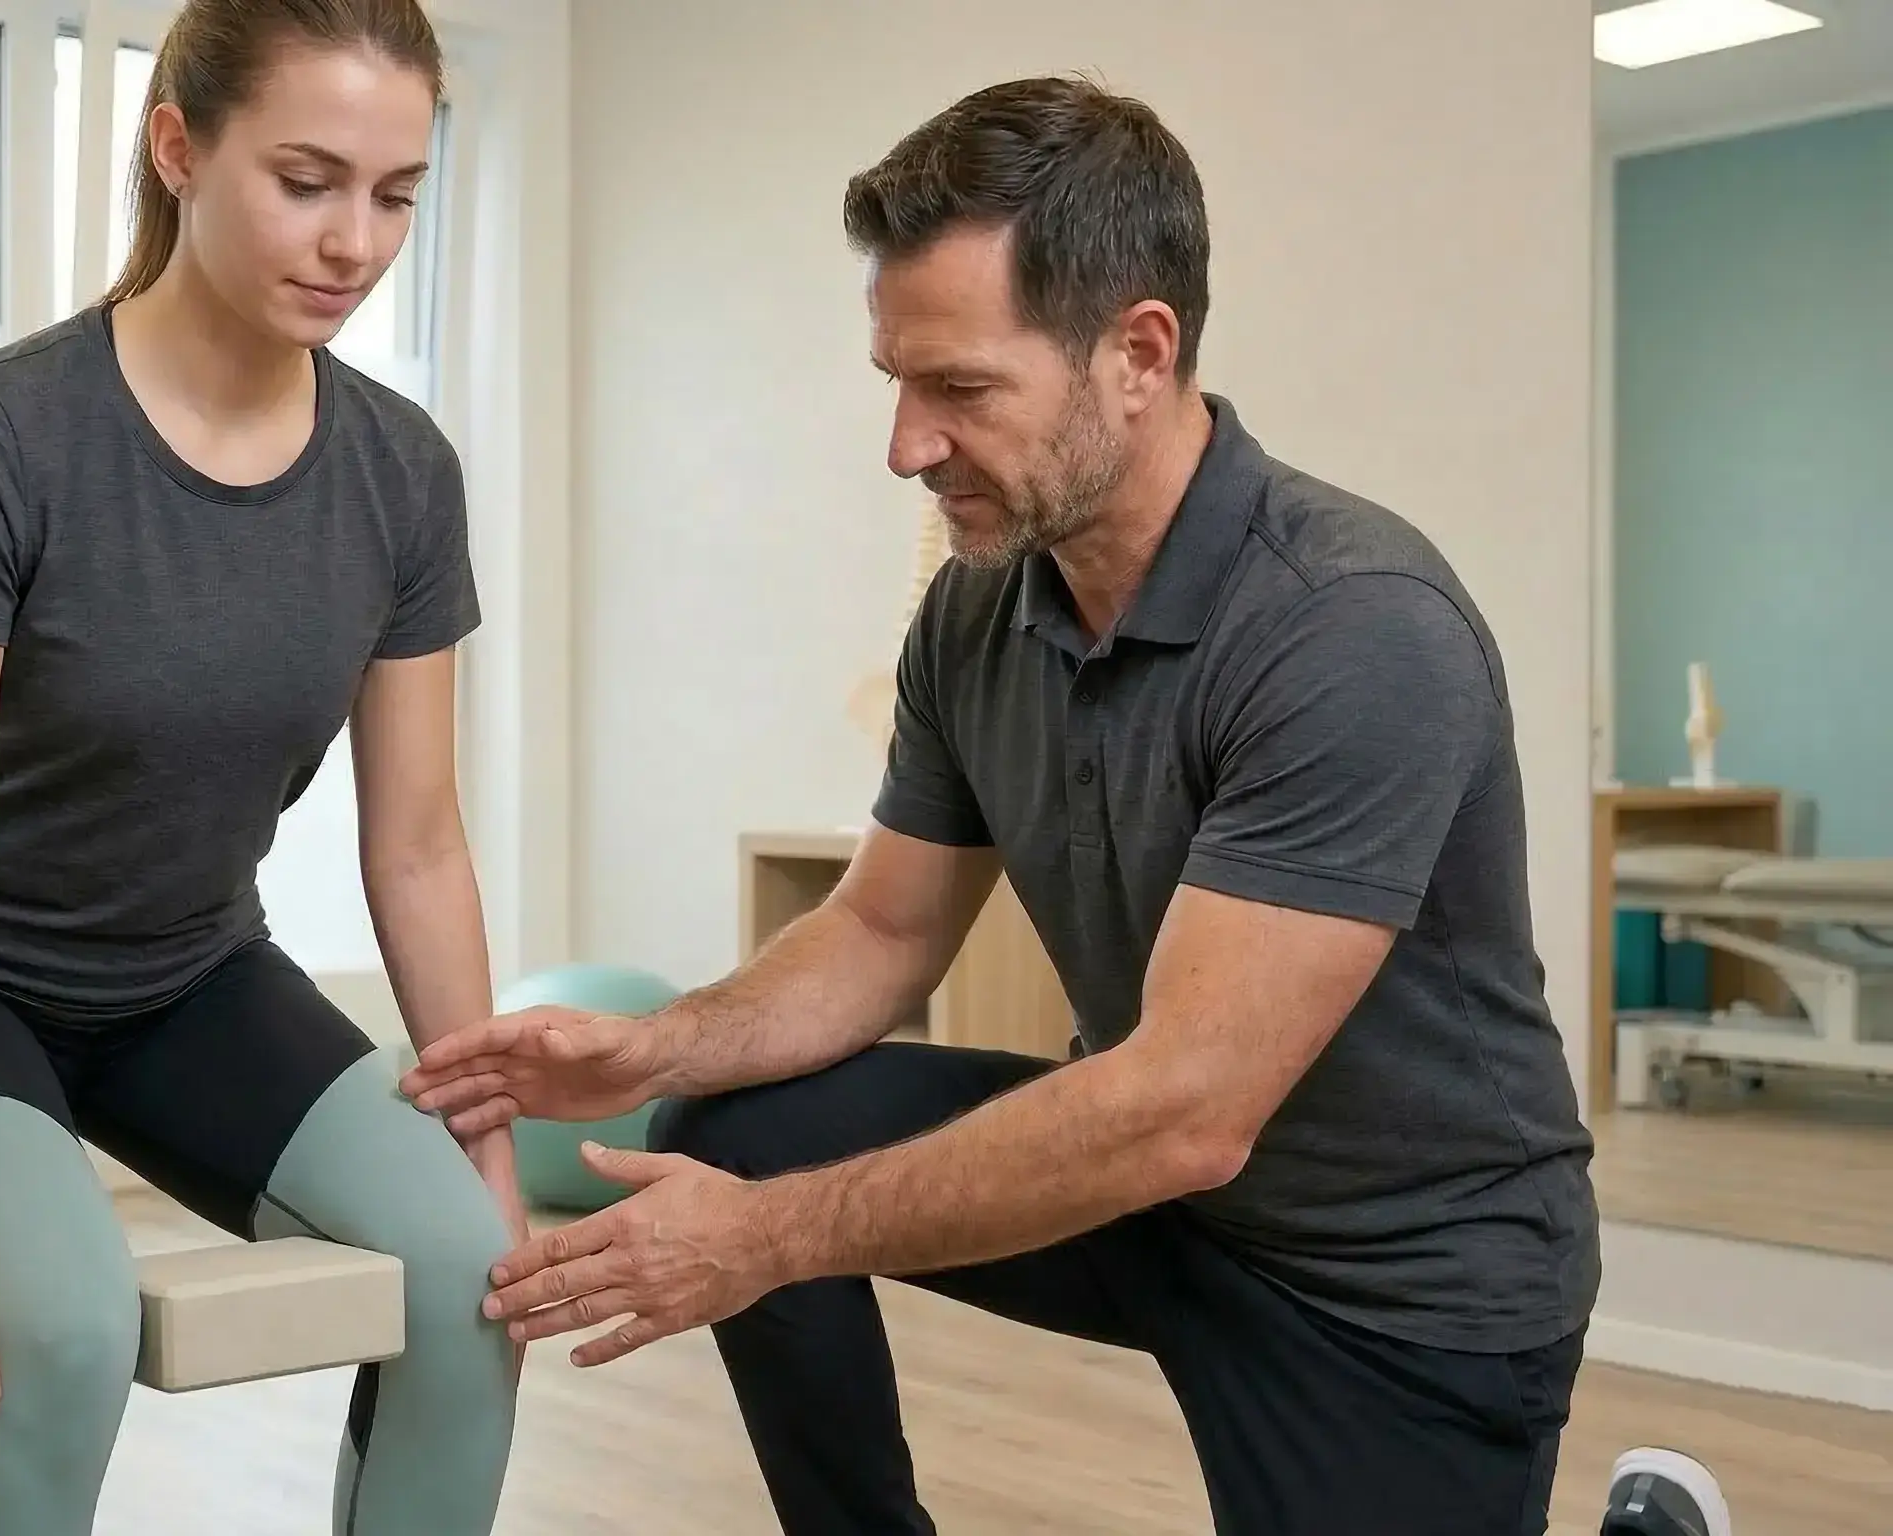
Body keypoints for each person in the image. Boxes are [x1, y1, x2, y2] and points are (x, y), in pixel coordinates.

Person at [402, 75, 1730, 1536]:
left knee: (764, 1201)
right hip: (1166, 1208)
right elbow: (881, 935)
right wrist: (650, 1044)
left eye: (961, 389)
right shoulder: (980, 612)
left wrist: (762, 1244)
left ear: (1138, 354)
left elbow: (1182, 1111)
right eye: (897, 384)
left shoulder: (1354, 626)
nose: (906, 445)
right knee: (734, 1122)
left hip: (1399, 1284)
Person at [0, 2, 519, 1532]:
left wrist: (491, 1160)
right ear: (179, 148)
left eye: (395, 194)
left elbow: (422, 846)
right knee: (55, 1331)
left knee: (470, 1281)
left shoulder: (401, 474)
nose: (354, 242)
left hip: (185, 976)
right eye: (306, 180)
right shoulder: (4, 433)